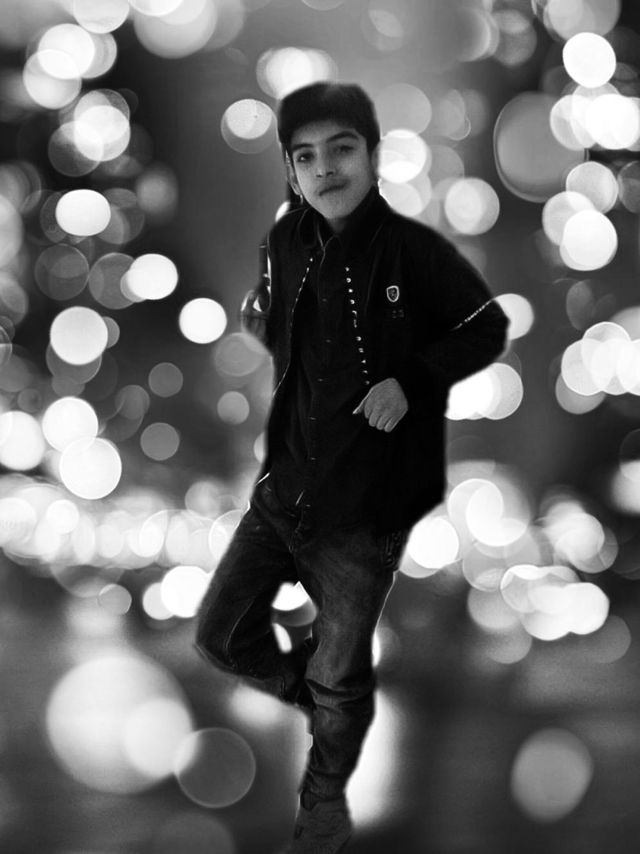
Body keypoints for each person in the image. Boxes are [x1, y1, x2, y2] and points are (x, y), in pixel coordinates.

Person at [195, 81, 509, 853]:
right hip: (285, 488)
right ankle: (331, 704)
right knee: (220, 638)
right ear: (290, 171)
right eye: (305, 157)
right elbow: (280, 327)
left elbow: (488, 327)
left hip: (367, 509)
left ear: (373, 156)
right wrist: (259, 319)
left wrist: (411, 381)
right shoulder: (286, 241)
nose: (325, 169)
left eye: (341, 150)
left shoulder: (416, 252)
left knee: (339, 677)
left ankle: (324, 806)